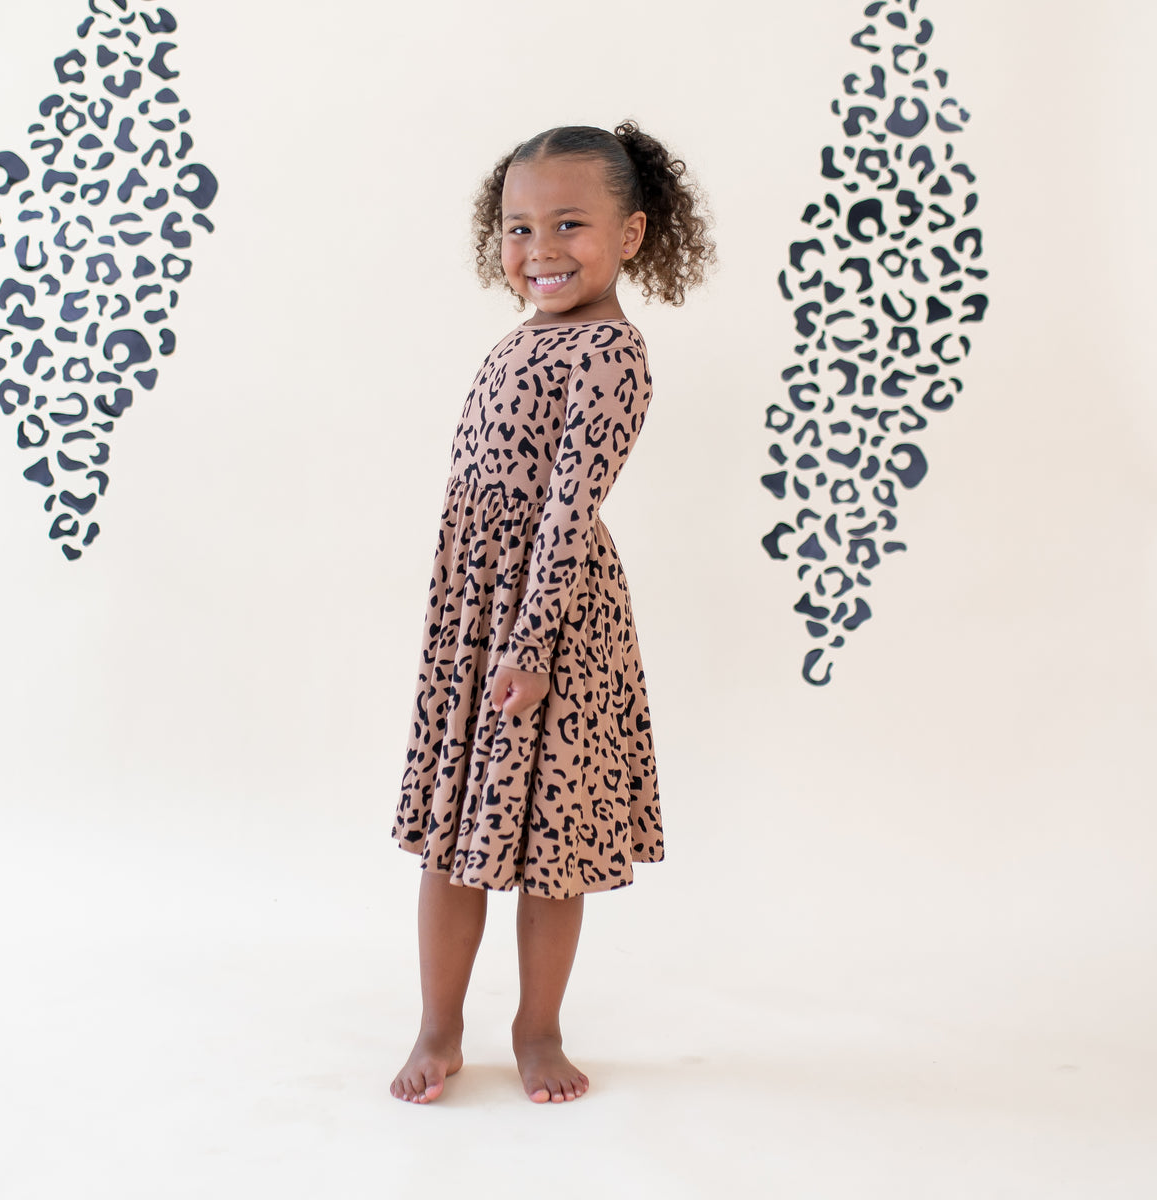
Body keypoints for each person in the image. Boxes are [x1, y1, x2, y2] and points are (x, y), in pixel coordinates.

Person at [390, 120, 714, 1105]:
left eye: (568, 224)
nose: (540, 249)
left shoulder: (611, 353)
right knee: (454, 837)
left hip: (556, 624)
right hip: (478, 615)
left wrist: (529, 644)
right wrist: (466, 620)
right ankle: (438, 1027)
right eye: (519, 227)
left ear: (632, 234)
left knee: (549, 849)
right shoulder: (522, 338)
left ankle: (539, 1029)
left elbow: (571, 509)